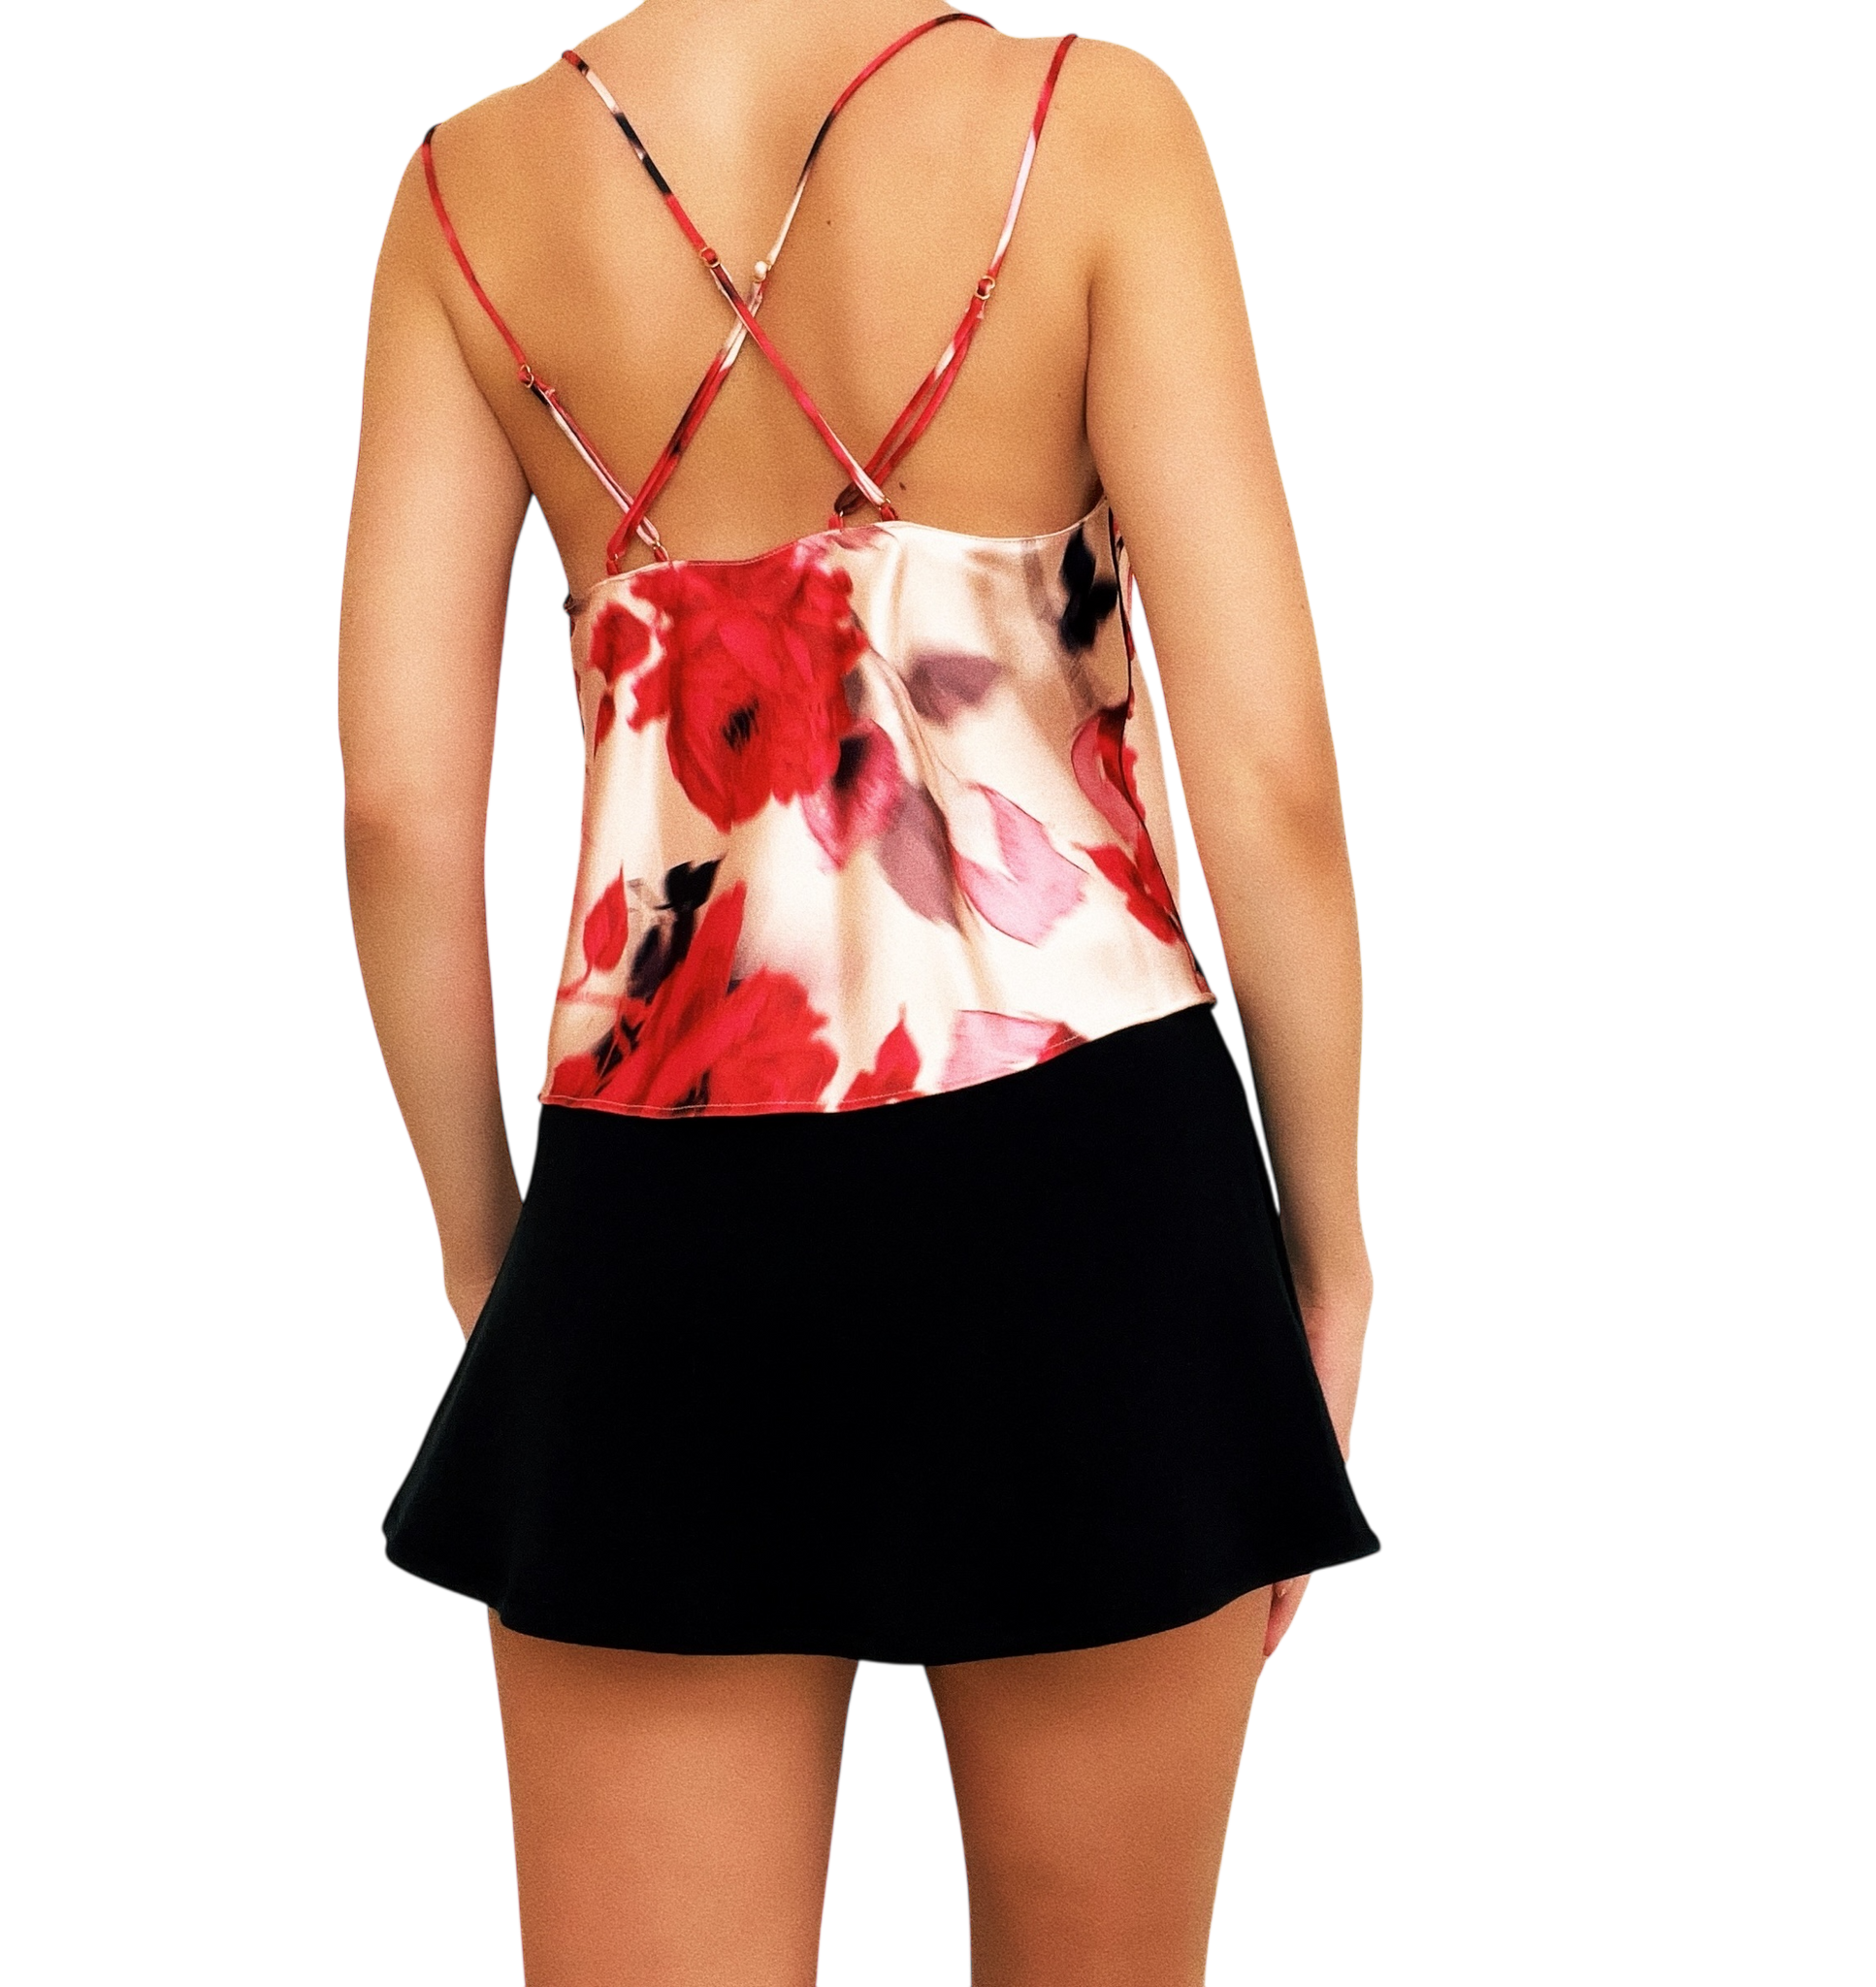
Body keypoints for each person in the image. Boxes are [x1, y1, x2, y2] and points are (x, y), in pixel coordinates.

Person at [339, 2, 1380, 1979]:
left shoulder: (465, 189)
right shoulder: (1089, 117)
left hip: (652, 1187)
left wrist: (485, 1254)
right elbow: (1275, 779)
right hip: (1096, 1178)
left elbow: (396, 806)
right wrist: (1332, 1254)